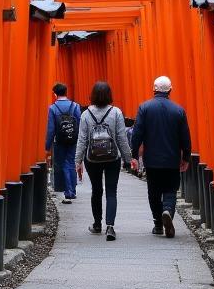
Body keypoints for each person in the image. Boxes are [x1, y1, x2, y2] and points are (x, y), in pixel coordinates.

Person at [130, 75, 192, 238]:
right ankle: (167, 212)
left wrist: (134, 155)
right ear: (170, 90)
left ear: (154, 89)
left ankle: (158, 223)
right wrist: (186, 156)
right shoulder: (178, 110)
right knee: (171, 189)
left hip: (152, 160)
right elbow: (185, 136)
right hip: (172, 159)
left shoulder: (144, 108)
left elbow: (137, 133)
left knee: (154, 191)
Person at [75, 80, 132, 241]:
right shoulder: (116, 113)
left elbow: (82, 140)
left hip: (92, 159)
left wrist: (77, 161)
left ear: (92, 95)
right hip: (112, 157)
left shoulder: (86, 114)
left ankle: (97, 224)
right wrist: (128, 158)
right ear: (109, 95)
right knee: (111, 191)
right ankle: (110, 227)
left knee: (96, 190)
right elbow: (121, 138)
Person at [45, 82, 80, 204]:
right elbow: (79, 124)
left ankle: (67, 191)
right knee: (70, 162)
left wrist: (47, 146)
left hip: (59, 141)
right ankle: (72, 190)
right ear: (66, 92)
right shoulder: (75, 106)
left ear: (55, 94)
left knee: (62, 163)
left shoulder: (53, 108)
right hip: (73, 139)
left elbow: (51, 129)